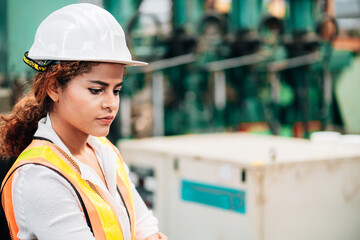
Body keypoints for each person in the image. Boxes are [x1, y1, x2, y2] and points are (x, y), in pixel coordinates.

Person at [0, 3, 168, 240]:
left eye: (116, 90)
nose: (111, 103)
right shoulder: (41, 176)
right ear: (53, 87)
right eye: (96, 90)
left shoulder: (105, 151)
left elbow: (145, 228)